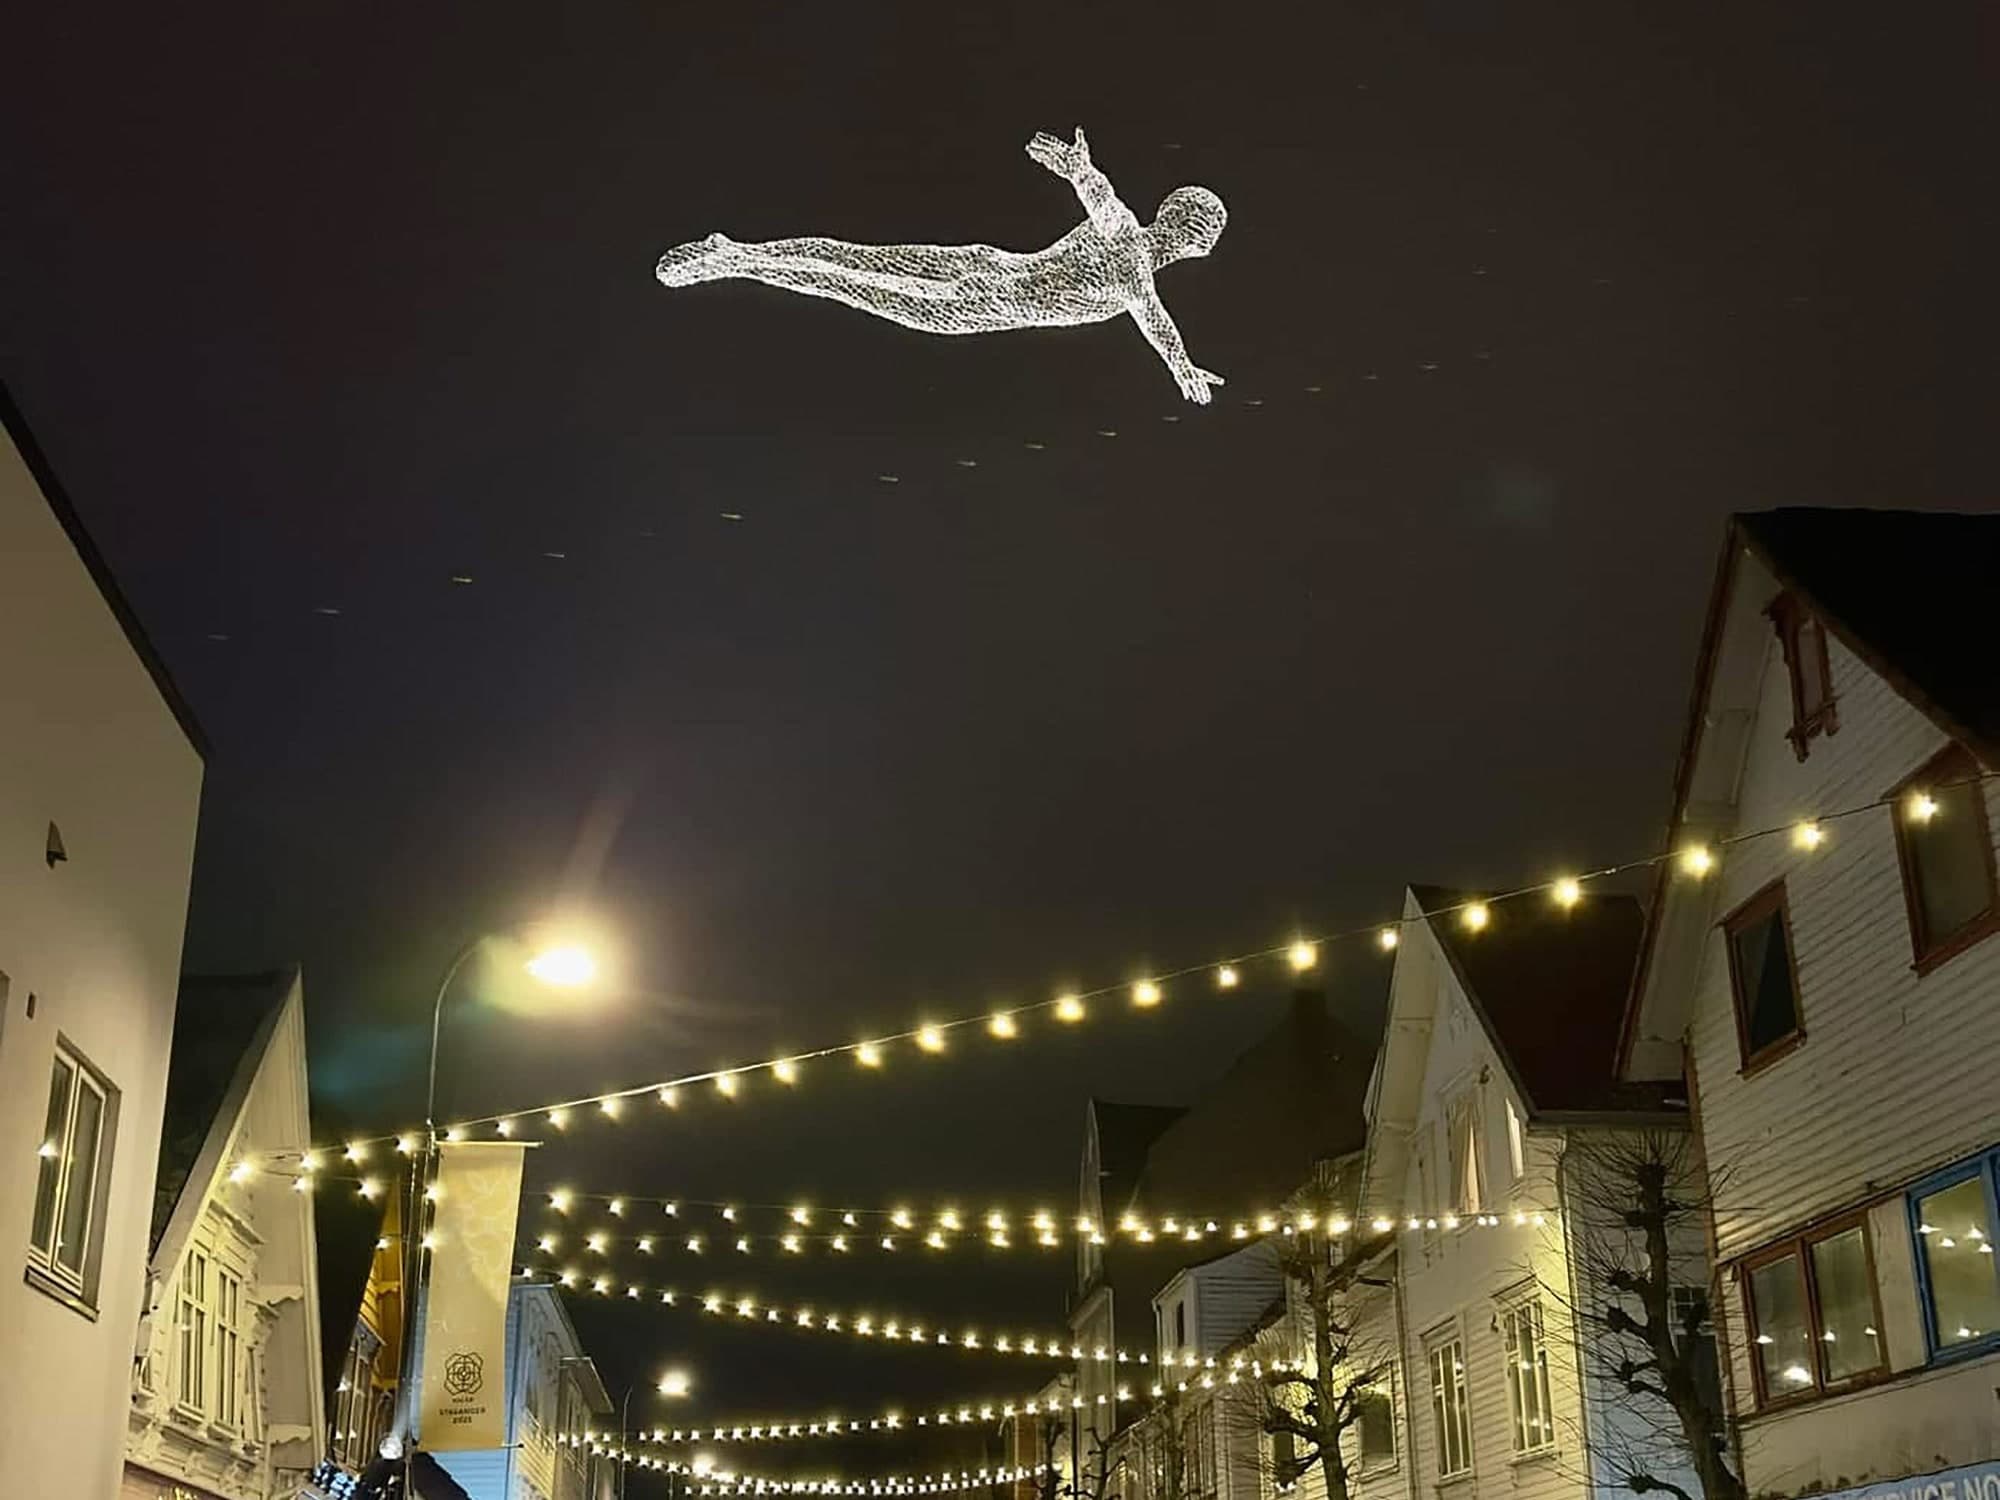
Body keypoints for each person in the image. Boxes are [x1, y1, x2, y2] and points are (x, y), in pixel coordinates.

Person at [655, 128, 1227, 403]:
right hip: (974, 304)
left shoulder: (1127, 232)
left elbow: (1103, 201)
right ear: (1197, 242)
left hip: (982, 265)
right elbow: (1156, 322)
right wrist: (1183, 370)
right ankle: (737, 260)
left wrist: (1079, 170)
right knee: (838, 278)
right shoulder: (1134, 266)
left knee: (847, 260)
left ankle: (736, 251)